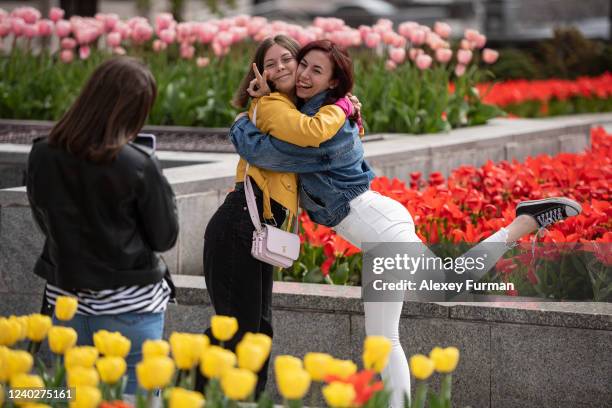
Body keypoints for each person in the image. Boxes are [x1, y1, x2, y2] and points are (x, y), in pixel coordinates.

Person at [230, 40, 583, 407]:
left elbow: (263, 151)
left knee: (445, 290)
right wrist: (264, 99)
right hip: (371, 230)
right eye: (303, 64)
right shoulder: (311, 115)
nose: (303, 74)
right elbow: (282, 122)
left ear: (333, 83)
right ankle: (524, 221)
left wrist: (240, 125)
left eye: (316, 71)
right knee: (384, 340)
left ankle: (523, 222)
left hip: (381, 226)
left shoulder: (329, 128)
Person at [200, 35, 358, 395]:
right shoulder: (272, 107)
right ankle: (190, 389)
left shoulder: (292, 109)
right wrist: (343, 107)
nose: (284, 68)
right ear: (260, 74)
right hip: (239, 223)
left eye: (290, 59)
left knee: (257, 328)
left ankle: (242, 398)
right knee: (241, 330)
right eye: (271, 64)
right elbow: (310, 134)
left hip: (254, 226)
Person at [26, 57, 179, 394]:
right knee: (132, 399)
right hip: (129, 304)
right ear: (134, 110)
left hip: (65, 298)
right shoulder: (138, 163)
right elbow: (164, 236)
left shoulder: (41, 154)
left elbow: (43, 216)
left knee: (72, 396)